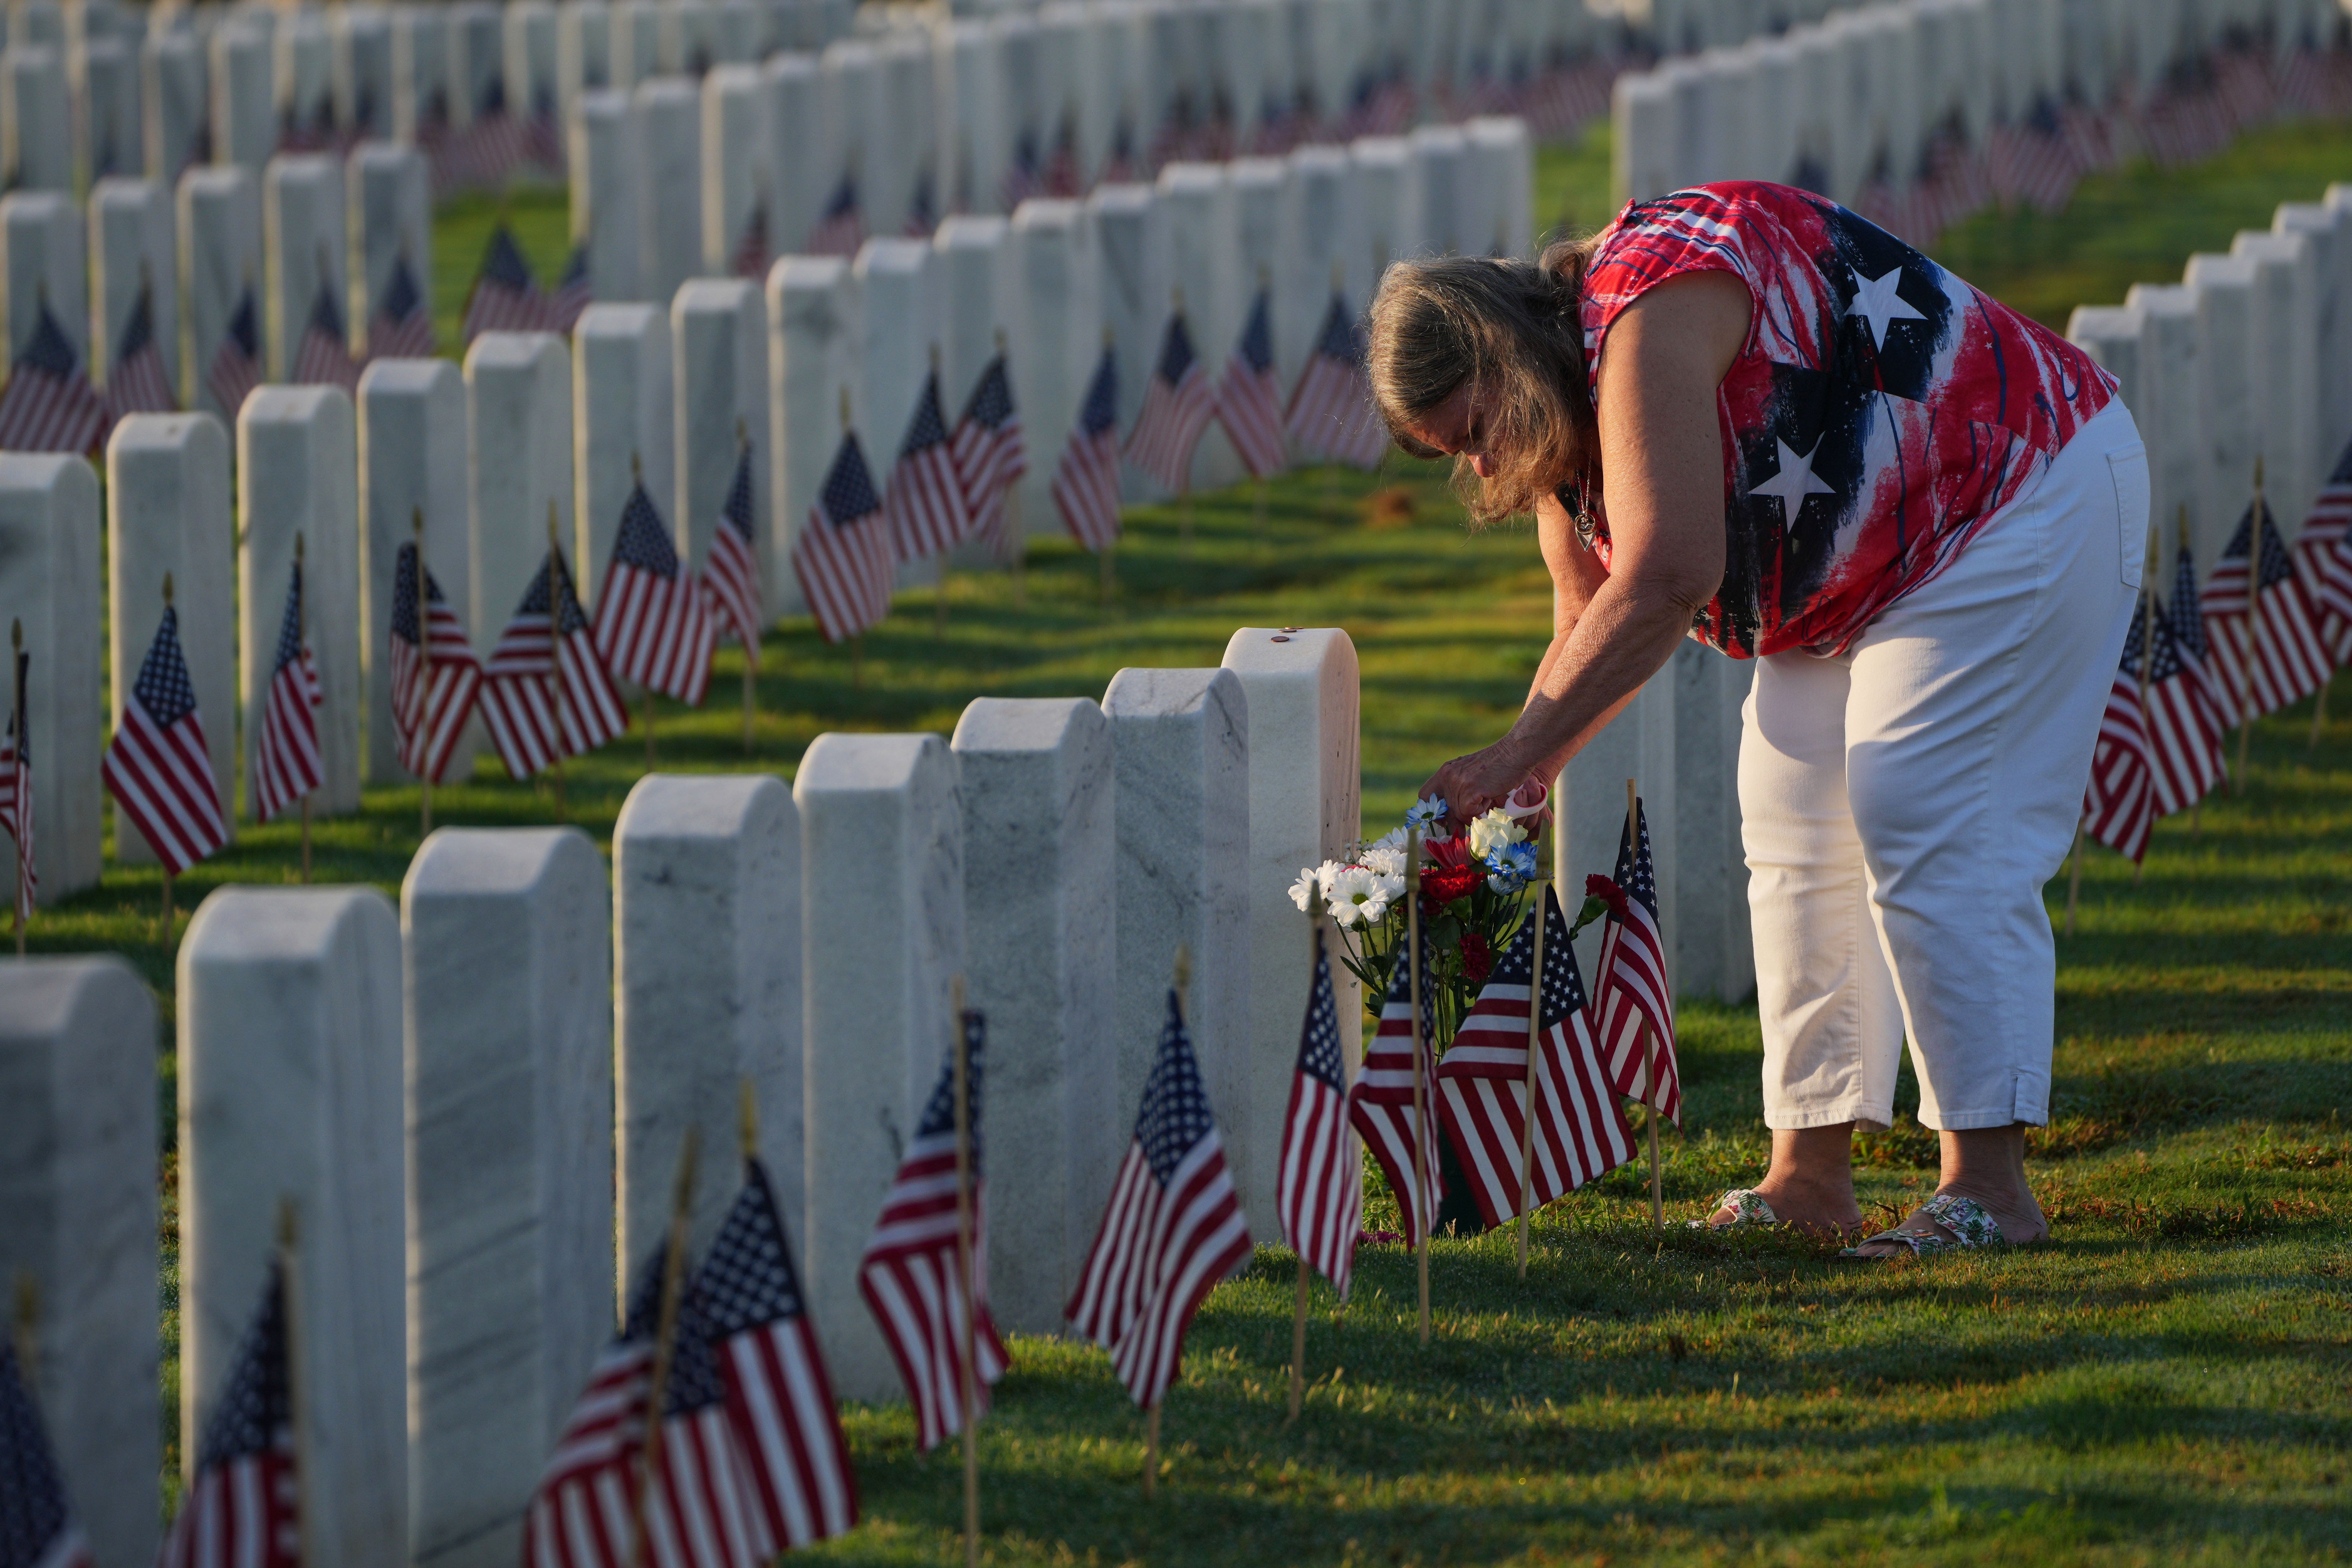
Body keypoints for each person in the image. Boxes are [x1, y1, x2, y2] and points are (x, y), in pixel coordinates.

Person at [1370, 181, 2147, 1258]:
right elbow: (1588, 619)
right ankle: (1810, 1177)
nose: (1482, 468)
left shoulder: (1643, 315)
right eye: (1455, 456)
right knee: (1789, 824)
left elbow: (1671, 573)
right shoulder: (1560, 414)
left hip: (2016, 487)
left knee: (1921, 809)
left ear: (1504, 357)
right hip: (1865, 560)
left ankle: (1989, 1187)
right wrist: (1523, 780)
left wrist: (1512, 757)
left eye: (1474, 432)